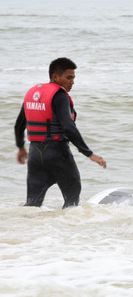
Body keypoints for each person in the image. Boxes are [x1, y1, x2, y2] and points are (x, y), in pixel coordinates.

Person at [14, 57, 106, 208]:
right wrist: (89, 154)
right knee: (72, 199)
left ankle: (25, 229)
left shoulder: (31, 93)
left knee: (32, 204)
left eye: (73, 78)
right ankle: (70, 230)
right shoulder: (60, 96)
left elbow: (19, 125)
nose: (72, 82)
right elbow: (68, 127)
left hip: (35, 154)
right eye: (68, 77)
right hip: (57, 154)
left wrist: (21, 147)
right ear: (55, 77)